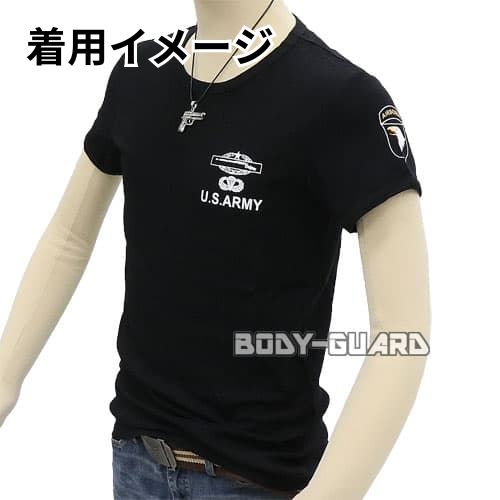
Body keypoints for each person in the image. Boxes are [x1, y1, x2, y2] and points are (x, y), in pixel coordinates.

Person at [0, 1, 431, 498]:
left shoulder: (342, 99)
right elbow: (68, 238)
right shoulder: (140, 74)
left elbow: (402, 334)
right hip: (136, 460)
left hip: (256, 479)